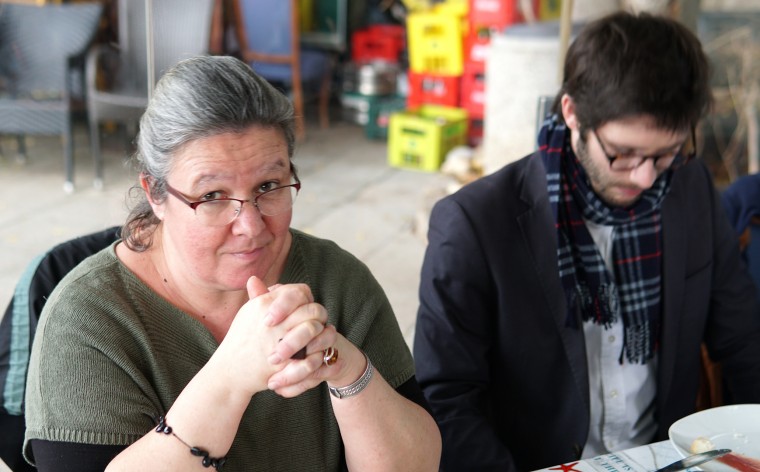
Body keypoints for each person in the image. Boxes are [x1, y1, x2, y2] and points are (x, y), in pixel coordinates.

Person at [23, 55, 441, 471]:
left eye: (269, 185)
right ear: (155, 195)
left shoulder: (337, 281)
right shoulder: (87, 321)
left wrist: (346, 368)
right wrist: (229, 379)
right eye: (211, 196)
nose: (251, 226)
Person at [413, 11, 760, 472]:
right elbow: (446, 398)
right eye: (623, 154)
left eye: (665, 153)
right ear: (572, 112)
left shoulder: (689, 187)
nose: (646, 177)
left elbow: (742, 338)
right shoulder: (474, 224)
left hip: (666, 459)